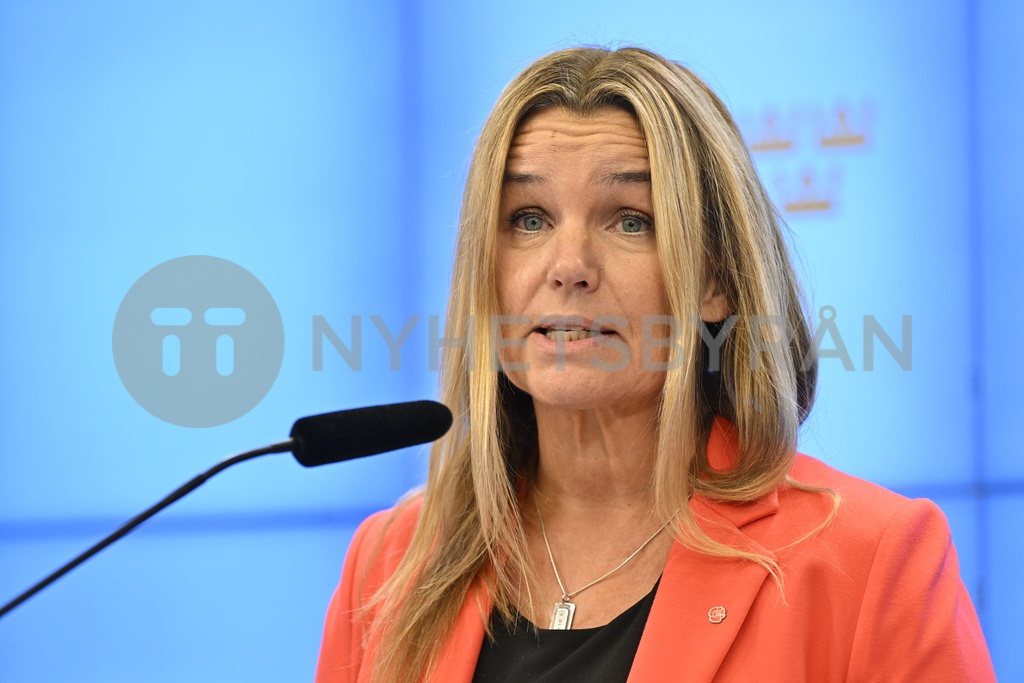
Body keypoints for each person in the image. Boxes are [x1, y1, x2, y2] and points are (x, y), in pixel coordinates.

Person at [315, 46, 995, 682]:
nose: (569, 266)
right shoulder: (388, 563)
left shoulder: (873, 561)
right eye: (529, 218)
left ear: (715, 280)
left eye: (630, 220)